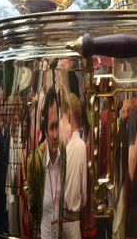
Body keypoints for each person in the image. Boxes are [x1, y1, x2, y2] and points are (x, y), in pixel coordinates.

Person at [26, 87, 66, 238]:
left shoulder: (64, 154)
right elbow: (32, 210)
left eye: (57, 126)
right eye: (51, 128)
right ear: (44, 128)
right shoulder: (35, 162)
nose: (55, 135)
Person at [63, 93, 87, 238]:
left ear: (70, 118)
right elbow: (83, 190)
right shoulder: (81, 146)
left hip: (59, 219)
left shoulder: (64, 146)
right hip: (73, 221)